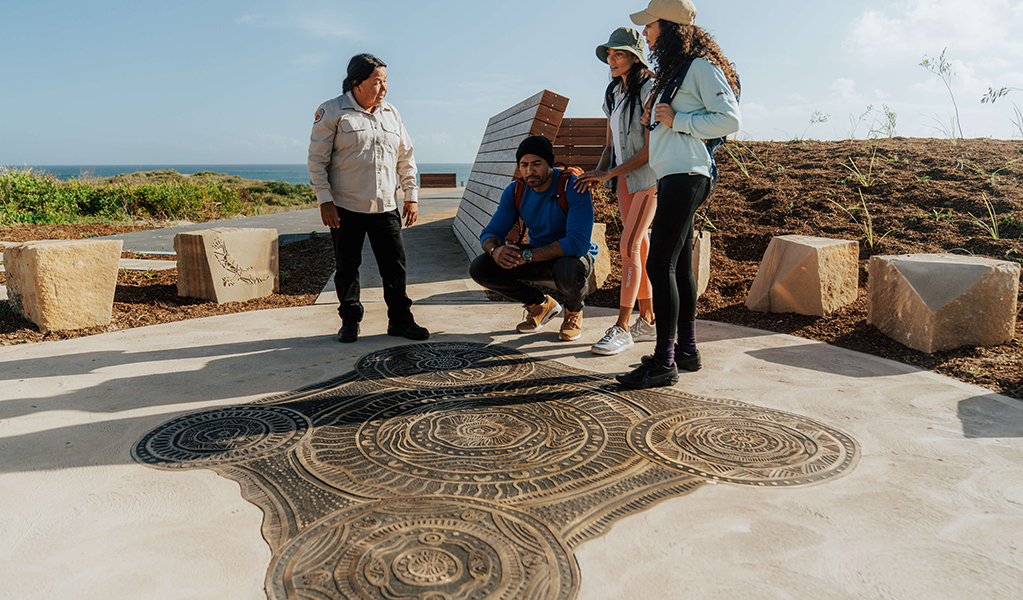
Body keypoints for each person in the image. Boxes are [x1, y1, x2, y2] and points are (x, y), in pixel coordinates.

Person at [616, 0, 741, 388]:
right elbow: (672, 122)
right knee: (680, 266)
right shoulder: (678, 69)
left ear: (668, 26)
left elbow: (729, 118)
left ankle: (663, 361)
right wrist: (654, 119)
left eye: (650, 26)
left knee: (660, 265)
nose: (646, 33)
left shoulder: (701, 66)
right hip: (674, 173)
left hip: (688, 174)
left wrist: (677, 119)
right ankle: (686, 351)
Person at [308, 53, 429, 344]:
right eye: (377, 82)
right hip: (345, 207)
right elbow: (316, 160)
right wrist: (325, 201)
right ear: (356, 83)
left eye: (385, 81)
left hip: (385, 206)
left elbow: (406, 158)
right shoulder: (332, 111)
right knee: (347, 268)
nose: (383, 88)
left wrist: (411, 196)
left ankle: (400, 320)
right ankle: (350, 321)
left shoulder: (392, 113)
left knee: (395, 267)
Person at [575, 27, 659, 356]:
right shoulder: (614, 93)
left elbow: (650, 151)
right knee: (640, 248)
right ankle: (649, 319)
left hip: (649, 179)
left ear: (635, 57)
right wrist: (600, 174)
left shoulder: (650, 88)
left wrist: (609, 172)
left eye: (618, 53)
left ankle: (623, 327)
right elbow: (611, 144)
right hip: (624, 180)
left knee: (628, 246)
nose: (611, 59)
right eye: (609, 54)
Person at [469, 135, 597, 342]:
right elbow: (490, 232)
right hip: (535, 255)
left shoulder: (572, 186)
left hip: (572, 256)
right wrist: (495, 250)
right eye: (524, 165)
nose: (530, 171)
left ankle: (573, 312)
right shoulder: (515, 190)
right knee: (481, 267)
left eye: (536, 164)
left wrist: (527, 255)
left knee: (568, 269)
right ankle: (539, 305)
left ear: (549, 164)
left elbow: (578, 242)